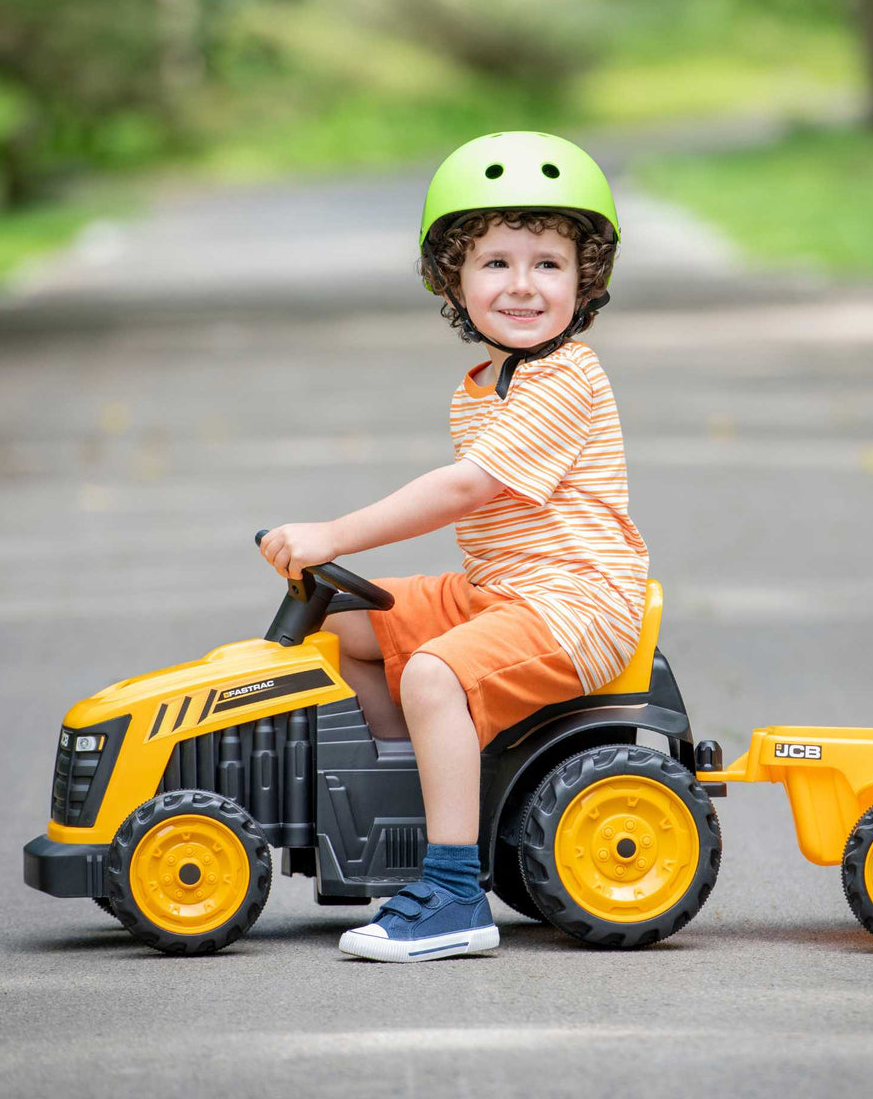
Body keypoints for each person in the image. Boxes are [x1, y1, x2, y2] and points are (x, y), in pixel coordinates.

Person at [259, 131, 649, 962]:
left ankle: (452, 889)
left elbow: (467, 488)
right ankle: (410, 796)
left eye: (547, 262)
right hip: (501, 589)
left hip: (576, 602)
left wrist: (332, 532)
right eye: (495, 262)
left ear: (586, 279)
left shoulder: (566, 376)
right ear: (453, 278)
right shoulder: (484, 382)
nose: (521, 285)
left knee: (436, 671)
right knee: (343, 628)